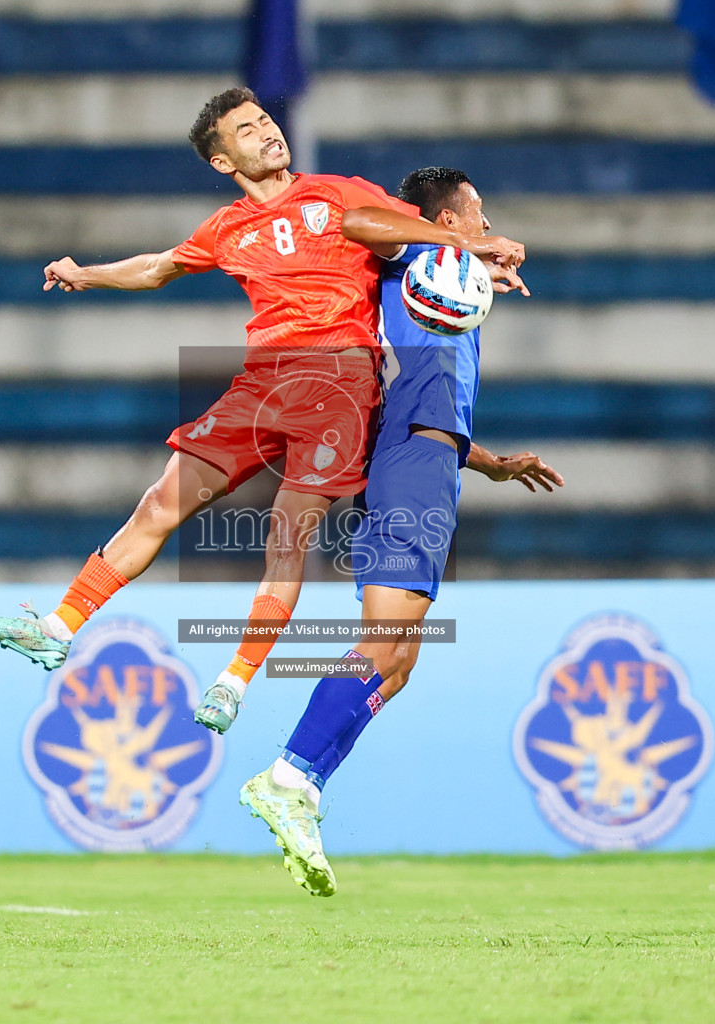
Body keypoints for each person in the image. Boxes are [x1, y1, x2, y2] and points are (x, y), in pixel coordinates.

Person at [0, 89, 526, 715]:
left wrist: (474, 250)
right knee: (161, 501)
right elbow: (157, 267)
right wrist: (86, 273)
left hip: (341, 383)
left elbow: (418, 232)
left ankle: (232, 682)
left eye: (265, 120)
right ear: (221, 161)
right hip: (261, 384)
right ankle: (58, 628)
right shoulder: (227, 228)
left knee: (287, 539)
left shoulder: (339, 190)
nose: (267, 132)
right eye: (247, 130)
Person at [236, 168, 564, 896]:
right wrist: (461, 245)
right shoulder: (414, 257)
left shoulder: (442, 284)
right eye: (476, 211)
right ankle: (287, 774)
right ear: (444, 217)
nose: (485, 223)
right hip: (411, 464)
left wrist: (488, 464)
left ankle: (306, 784)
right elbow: (359, 224)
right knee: (382, 640)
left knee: (399, 661)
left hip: (429, 461)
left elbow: (425, 399)